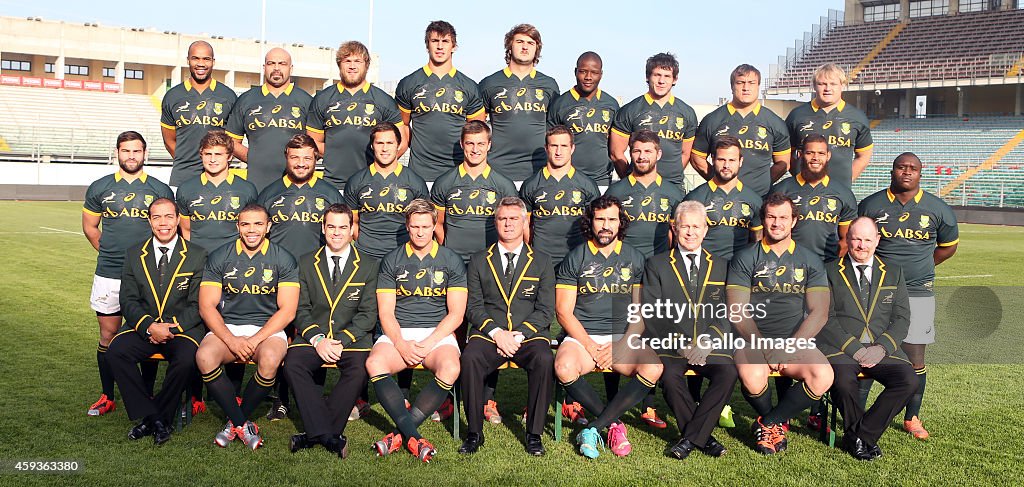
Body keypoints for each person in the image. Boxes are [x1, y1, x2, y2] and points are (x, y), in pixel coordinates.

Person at [857, 152, 959, 440]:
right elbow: (858, 242)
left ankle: (912, 417)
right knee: (866, 352)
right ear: (893, 170)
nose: (907, 172)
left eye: (912, 168)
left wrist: (923, 268)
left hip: (918, 291)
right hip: (875, 292)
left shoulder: (936, 208)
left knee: (915, 356)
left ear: (920, 174)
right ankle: (857, 412)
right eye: (901, 167)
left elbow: (948, 247)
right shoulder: (872, 204)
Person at [554, 195, 663, 458]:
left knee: (654, 365)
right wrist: (591, 346)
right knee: (563, 367)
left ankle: (596, 426)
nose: (605, 225)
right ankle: (614, 424)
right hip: (583, 337)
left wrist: (621, 346)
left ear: (620, 222)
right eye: (600, 219)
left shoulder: (635, 258)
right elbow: (563, 312)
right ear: (590, 222)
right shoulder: (575, 257)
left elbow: (641, 312)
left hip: (623, 337)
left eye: (612, 219)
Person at [726, 193, 834, 455]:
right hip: (753, 339)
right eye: (771, 217)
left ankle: (769, 422)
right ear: (763, 220)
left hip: (793, 339)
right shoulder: (745, 257)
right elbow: (737, 310)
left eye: (783, 217)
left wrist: (790, 346)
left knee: (824, 376)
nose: (777, 223)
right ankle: (772, 424)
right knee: (753, 376)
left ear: (794, 221)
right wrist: (763, 345)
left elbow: (819, 312)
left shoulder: (810, 259)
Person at [366, 199, 468, 463]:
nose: (420, 232)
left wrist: (429, 342)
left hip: (438, 334)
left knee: (451, 368)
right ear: (407, 226)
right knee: (375, 362)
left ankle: (400, 434)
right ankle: (414, 437)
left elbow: (456, 313)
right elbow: (386, 312)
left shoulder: (451, 260)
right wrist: (400, 343)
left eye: (425, 226)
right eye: (414, 226)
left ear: (435, 225)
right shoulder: (392, 260)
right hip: (399, 332)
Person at [82, 130, 174, 416]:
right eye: (126, 151)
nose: (131, 156)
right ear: (117, 153)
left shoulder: (160, 189)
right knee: (108, 335)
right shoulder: (100, 187)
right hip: (109, 272)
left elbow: (167, 230)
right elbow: (90, 227)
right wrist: (109, 252)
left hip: (148, 275)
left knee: (147, 332)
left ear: (145, 154)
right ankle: (107, 395)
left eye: (136, 151)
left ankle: (145, 393)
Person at [196, 203, 300, 450]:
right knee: (204, 356)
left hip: (268, 329)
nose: (252, 230)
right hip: (228, 326)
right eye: (245, 224)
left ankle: (233, 422)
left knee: (271, 357)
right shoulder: (220, 255)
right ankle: (242, 422)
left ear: (268, 226)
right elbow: (207, 307)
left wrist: (253, 341)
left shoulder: (283, 258)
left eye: (258, 224)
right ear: (237, 226)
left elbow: (287, 310)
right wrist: (232, 340)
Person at [257, 133, 344, 420]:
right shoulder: (269, 193)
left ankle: (312, 396)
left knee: (312, 335)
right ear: (286, 158)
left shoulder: (330, 193)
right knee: (282, 335)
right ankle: (279, 398)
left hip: (315, 277)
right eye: (295, 157)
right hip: (278, 277)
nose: (301, 163)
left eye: (307, 157)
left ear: (316, 159)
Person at [459, 197, 555, 456]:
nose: (508, 224)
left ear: (525, 222)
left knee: (545, 359)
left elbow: (546, 310)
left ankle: (534, 434)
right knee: (469, 358)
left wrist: (519, 334)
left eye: (514, 219)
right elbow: (473, 306)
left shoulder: (543, 261)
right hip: (490, 334)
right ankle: (474, 433)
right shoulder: (478, 260)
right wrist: (497, 333)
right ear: (495, 222)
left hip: (529, 336)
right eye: (503, 219)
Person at [107, 198, 207, 445]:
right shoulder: (133, 254)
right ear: (150, 221)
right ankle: (156, 417)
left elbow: (198, 304)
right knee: (116, 352)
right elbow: (128, 299)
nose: (164, 223)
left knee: (186, 359)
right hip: (145, 327)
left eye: (169, 217)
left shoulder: (197, 255)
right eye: (157, 217)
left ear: (177, 219)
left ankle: (152, 420)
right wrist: (149, 326)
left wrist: (170, 328)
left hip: (181, 329)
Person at [641, 201, 737, 460]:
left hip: (710, 343)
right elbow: (652, 311)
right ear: (674, 227)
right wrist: (681, 343)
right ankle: (703, 437)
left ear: (706, 230)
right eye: (685, 226)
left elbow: (729, 312)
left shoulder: (723, 265)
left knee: (728, 372)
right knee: (671, 377)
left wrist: (707, 341)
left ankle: (691, 437)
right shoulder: (656, 264)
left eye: (697, 226)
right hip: (672, 344)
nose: (691, 232)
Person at [284, 203, 380, 458]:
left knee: (359, 369)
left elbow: (369, 314)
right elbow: (300, 309)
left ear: (352, 230)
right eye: (331, 227)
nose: (336, 233)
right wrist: (317, 339)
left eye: (342, 227)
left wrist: (340, 341)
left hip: (352, 338)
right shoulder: (306, 262)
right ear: (323, 229)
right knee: (293, 364)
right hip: (313, 336)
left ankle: (313, 434)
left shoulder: (369, 265)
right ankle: (329, 436)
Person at [819, 216, 916, 460]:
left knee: (909, 380)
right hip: (841, 347)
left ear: (877, 240)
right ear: (848, 240)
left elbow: (902, 318)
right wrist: (855, 349)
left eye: (867, 240)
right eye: (856, 239)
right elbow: (825, 318)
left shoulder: (893, 272)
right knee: (842, 382)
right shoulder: (829, 271)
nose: (862, 245)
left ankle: (861, 435)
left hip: (880, 347)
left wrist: (882, 347)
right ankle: (860, 439)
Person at [307, 41, 405, 190]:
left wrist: (382, 162)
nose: (352, 66)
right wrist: (336, 153)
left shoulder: (383, 100)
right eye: (347, 61)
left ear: (366, 65)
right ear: (339, 65)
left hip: (372, 183)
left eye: (357, 61)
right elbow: (313, 142)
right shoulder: (322, 99)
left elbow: (402, 142)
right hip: (332, 183)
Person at [395, 21, 485, 182]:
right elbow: (401, 125)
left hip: (458, 171)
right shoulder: (409, 83)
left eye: (445, 41)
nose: (440, 47)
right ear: (427, 45)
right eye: (435, 41)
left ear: (454, 46)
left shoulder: (469, 86)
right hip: (420, 171)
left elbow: (477, 132)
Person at [690, 64, 790, 197]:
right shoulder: (712, 120)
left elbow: (783, 164)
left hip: (760, 198)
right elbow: (697, 157)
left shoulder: (775, 123)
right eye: (740, 82)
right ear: (732, 86)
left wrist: (763, 184)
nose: (746, 88)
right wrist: (718, 181)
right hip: (720, 197)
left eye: (751, 83)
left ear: (758, 86)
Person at [478, 24, 560, 182]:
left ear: (537, 49)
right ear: (509, 46)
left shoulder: (549, 85)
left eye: (531, 43)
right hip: (497, 168)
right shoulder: (490, 84)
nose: (525, 47)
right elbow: (476, 127)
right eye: (519, 42)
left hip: (539, 169)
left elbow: (555, 128)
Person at [225, 47, 312, 192]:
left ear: (291, 68)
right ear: (264, 68)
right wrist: (254, 158)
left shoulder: (306, 101)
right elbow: (230, 141)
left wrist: (300, 162)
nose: (276, 68)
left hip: (297, 185)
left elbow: (317, 145)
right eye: (271, 63)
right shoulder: (247, 99)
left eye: (282, 64)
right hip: (257, 185)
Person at [430, 121, 519, 263]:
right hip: (454, 261)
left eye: (481, 144)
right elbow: (438, 224)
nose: (475, 149)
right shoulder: (444, 183)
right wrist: (448, 252)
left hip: (491, 261)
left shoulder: (504, 185)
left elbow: (513, 226)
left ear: (489, 145)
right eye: (470, 143)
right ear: (461, 144)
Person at [344, 122, 430, 260]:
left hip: (403, 255)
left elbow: (424, 222)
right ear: (372, 146)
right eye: (380, 143)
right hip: (366, 256)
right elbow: (352, 221)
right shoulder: (356, 181)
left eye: (390, 143)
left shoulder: (415, 182)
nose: (385, 148)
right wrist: (366, 245)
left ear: (399, 145)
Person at [609, 53, 697, 187]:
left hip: (673, 186)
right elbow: (616, 153)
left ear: (675, 79)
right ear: (647, 77)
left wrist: (671, 178)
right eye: (657, 75)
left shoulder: (687, 112)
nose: (661, 81)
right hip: (638, 185)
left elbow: (685, 154)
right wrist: (630, 180)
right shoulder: (630, 110)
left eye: (667, 76)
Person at [519, 125, 601, 268]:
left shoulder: (587, 185)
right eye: (554, 146)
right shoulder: (530, 185)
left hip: (577, 259)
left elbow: (595, 224)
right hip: (541, 260)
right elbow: (525, 225)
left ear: (572, 148)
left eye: (564, 146)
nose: (558, 152)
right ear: (546, 148)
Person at [768, 134, 857, 263]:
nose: (816, 158)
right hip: (787, 263)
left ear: (828, 156)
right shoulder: (782, 190)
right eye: (810, 153)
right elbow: (769, 231)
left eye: (821, 153)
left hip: (826, 266)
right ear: (800, 154)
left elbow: (847, 239)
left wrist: (830, 263)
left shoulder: (843, 194)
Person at [160, 41, 237, 188]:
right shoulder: (173, 96)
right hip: (182, 178)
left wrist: (218, 163)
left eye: (206, 59)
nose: (201, 63)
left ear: (213, 62)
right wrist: (185, 161)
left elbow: (233, 140)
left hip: (219, 178)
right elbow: (169, 140)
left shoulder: (228, 96)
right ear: (188, 60)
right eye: (196, 58)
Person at [786, 63, 873, 188]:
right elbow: (786, 153)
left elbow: (864, 156)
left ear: (842, 85)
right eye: (822, 84)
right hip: (803, 189)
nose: (827, 88)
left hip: (839, 191)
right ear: (815, 86)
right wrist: (799, 175)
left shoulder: (857, 117)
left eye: (833, 84)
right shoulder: (797, 115)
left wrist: (846, 180)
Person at [605, 129, 686, 259]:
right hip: (623, 263)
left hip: (658, 265)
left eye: (648, 151)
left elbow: (675, 235)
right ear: (630, 154)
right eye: (637, 151)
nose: (642, 157)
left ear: (658, 154)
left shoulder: (673, 192)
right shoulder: (615, 192)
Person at [177, 130, 259, 253]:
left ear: (230, 156)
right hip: (198, 260)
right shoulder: (186, 189)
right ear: (201, 155)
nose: (212, 160)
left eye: (218, 154)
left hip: (233, 258)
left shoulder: (247, 189)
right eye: (208, 154)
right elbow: (186, 230)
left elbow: (251, 229)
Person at [683, 136, 763, 261]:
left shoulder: (754, 199)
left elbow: (757, 241)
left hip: (739, 269)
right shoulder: (695, 198)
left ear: (740, 161)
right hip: (705, 268)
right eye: (721, 159)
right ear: (713, 159)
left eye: (732, 160)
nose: (726, 165)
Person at [547, 52, 619, 187]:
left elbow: (615, 147)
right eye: (583, 72)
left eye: (594, 72)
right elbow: (549, 144)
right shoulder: (560, 104)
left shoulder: (611, 104)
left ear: (601, 74)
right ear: (575, 72)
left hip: (601, 179)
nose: (588, 77)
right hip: (568, 178)